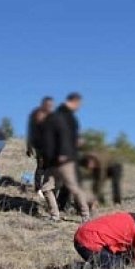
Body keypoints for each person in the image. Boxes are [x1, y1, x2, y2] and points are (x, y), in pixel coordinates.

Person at [41, 93, 91, 222]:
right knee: (48, 188)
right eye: (79, 104)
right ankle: (57, 215)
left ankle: (83, 215)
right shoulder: (64, 116)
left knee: (71, 187)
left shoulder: (66, 116)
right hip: (59, 159)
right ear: (74, 102)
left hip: (62, 159)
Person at [26, 96, 54, 194]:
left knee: (49, 168)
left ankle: (46, 188)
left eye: (51, 105)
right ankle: (38, 189)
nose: (50, 107)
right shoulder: (37, 114)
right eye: (48, 105)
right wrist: (29, 147)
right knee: (41, 167)